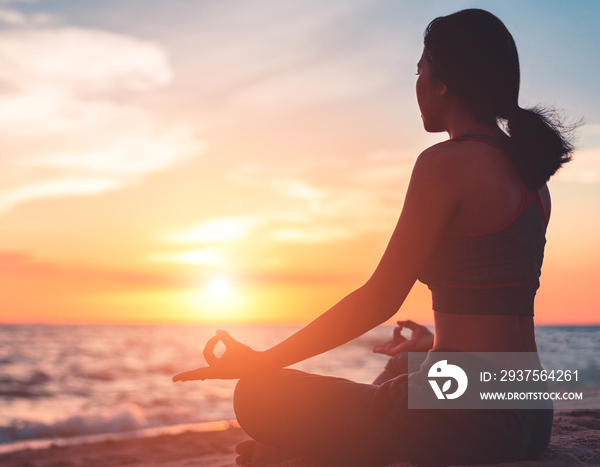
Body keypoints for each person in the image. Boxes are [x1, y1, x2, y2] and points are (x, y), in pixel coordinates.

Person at [173, 8, 576, 466]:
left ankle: (281, 453)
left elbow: (378, 299)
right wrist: (434, 342)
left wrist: (262, 361)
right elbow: (497, 303)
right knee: (400, 368)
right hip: (527, 408)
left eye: (420, 69)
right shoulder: (533, 181)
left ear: (442, 83)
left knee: (257, 396)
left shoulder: (445, 164)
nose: (418, 82)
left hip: (469, 417)